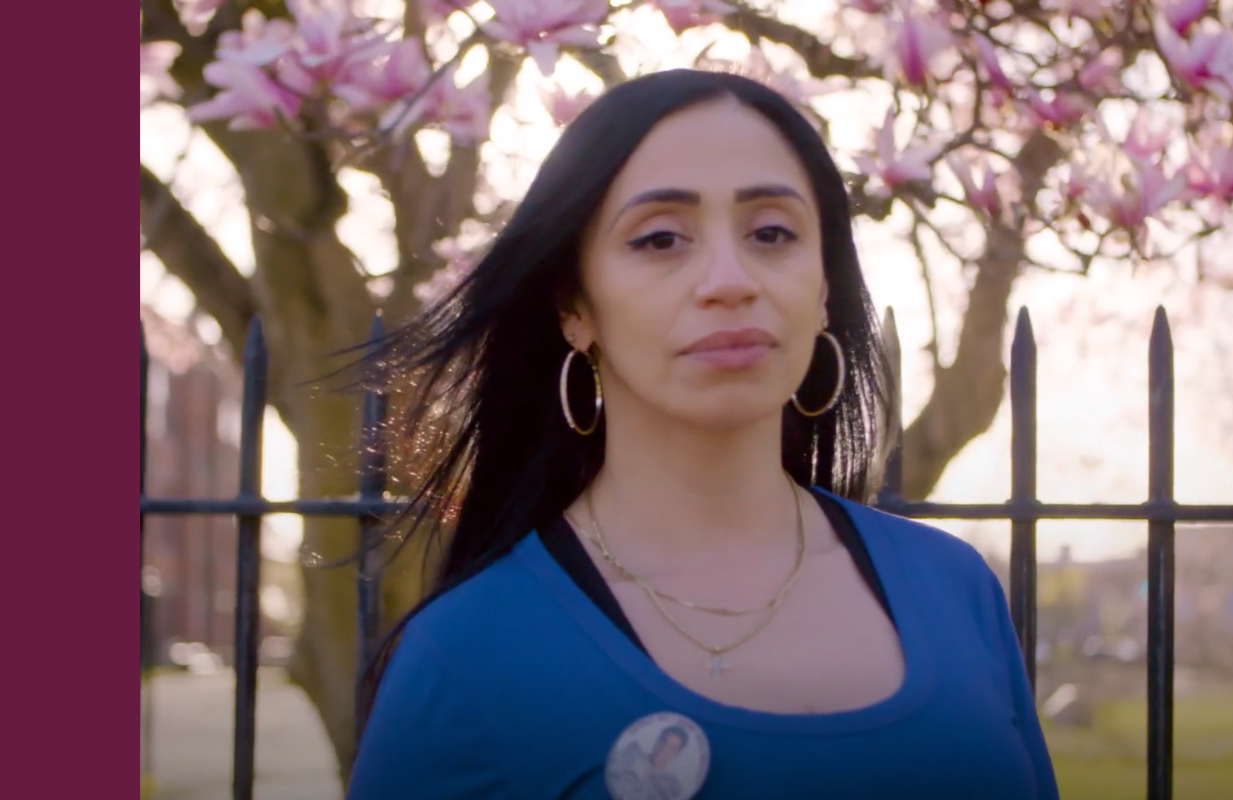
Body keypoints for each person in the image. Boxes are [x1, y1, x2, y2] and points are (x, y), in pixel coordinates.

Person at [344, 68, 1059, 800]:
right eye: (660, 240)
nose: (729, 279)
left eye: (772, 233)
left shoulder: (956, 588)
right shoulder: (468, 655)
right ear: (574, 305)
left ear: (822, 291)